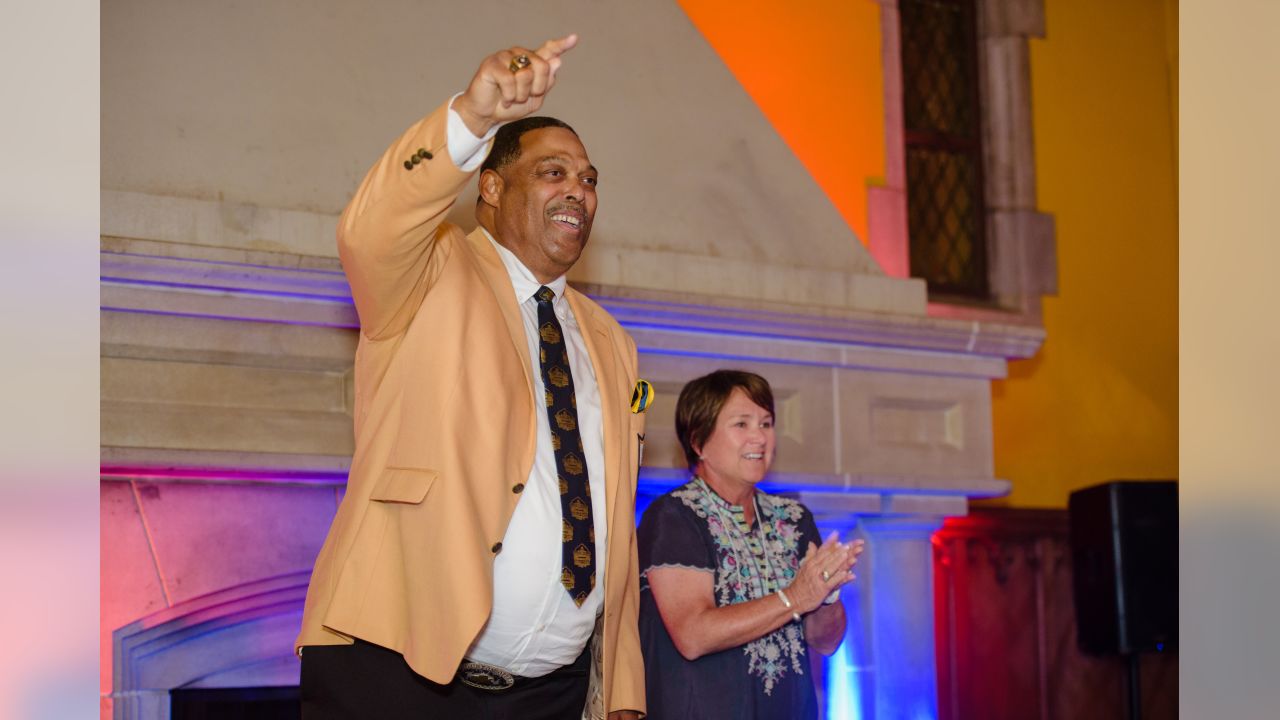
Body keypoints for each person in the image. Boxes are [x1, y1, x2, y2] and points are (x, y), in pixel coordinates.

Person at [295, 34, 646, 720]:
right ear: (491, 185)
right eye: (553, 172)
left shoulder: (613, 342)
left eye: (589, 178)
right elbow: (370, 230)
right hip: (396, 676)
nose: (578, 187)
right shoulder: (430, 274)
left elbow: (613, 525)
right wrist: (472, 117)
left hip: (554, 695)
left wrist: (621, 692)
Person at [637, 370, 864, 719]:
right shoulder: (674, 516)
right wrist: (795, 597)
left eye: (767, 423)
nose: (759, 437)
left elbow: (826, 641)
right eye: (742, 424)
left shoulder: (793, 518)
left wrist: (827, 593)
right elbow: (693, 634)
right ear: (698, 441)